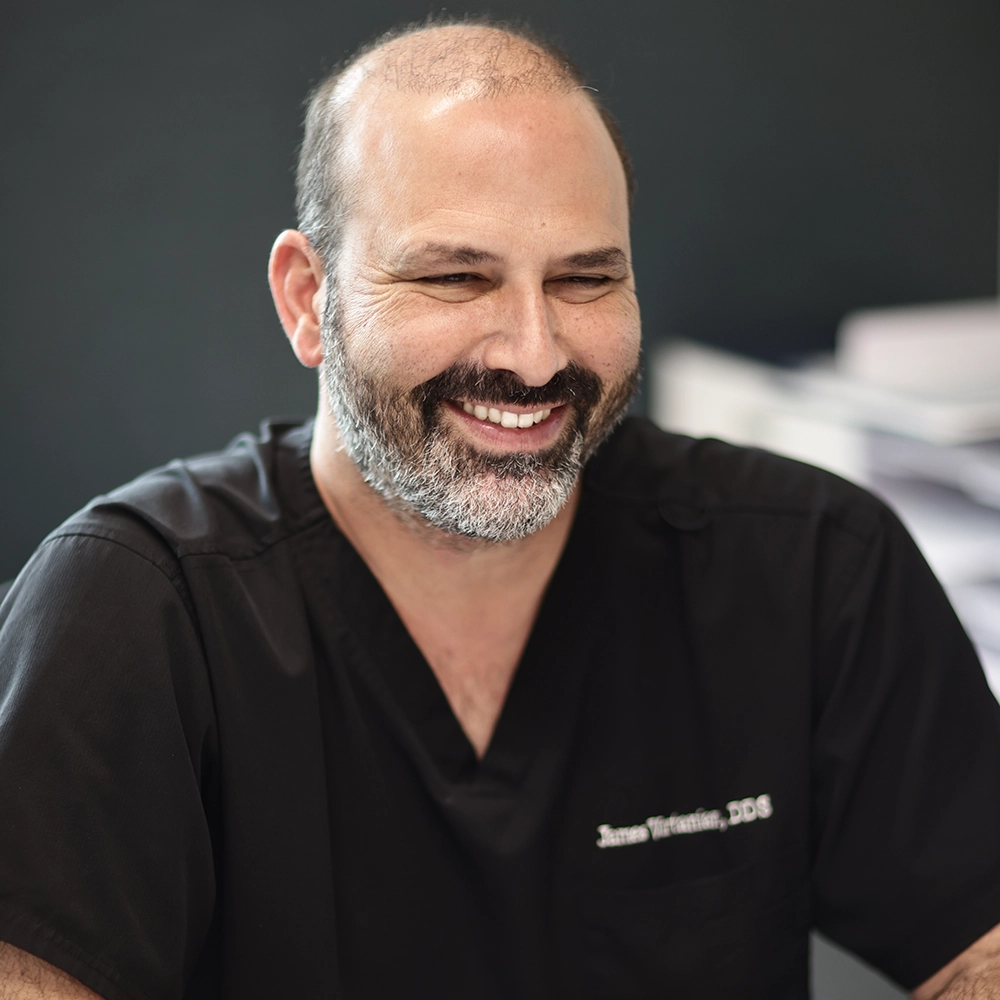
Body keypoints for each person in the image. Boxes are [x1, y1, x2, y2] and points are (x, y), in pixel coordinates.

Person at [1, 17, 1000, 1000]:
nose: (533, 353)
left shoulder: (810, 567)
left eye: (585, 277)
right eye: (454, 276)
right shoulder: (134, 613)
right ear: (310, 300)